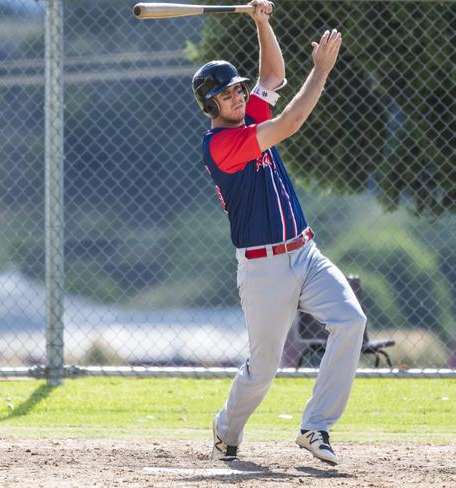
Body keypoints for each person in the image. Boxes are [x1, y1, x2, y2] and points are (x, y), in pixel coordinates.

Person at [192, 0, 366, 466]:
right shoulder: (221, 145)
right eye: (227, 94)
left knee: (351, 322)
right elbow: (289, 121)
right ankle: (226, 428)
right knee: (264, 368)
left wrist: (261, 23)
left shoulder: (246, 116)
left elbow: (271, 76)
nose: (238, 96)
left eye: (237, 90)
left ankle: (316, 427)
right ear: (210, 104)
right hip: (263, 266)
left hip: (305, 251)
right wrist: (322, 71)